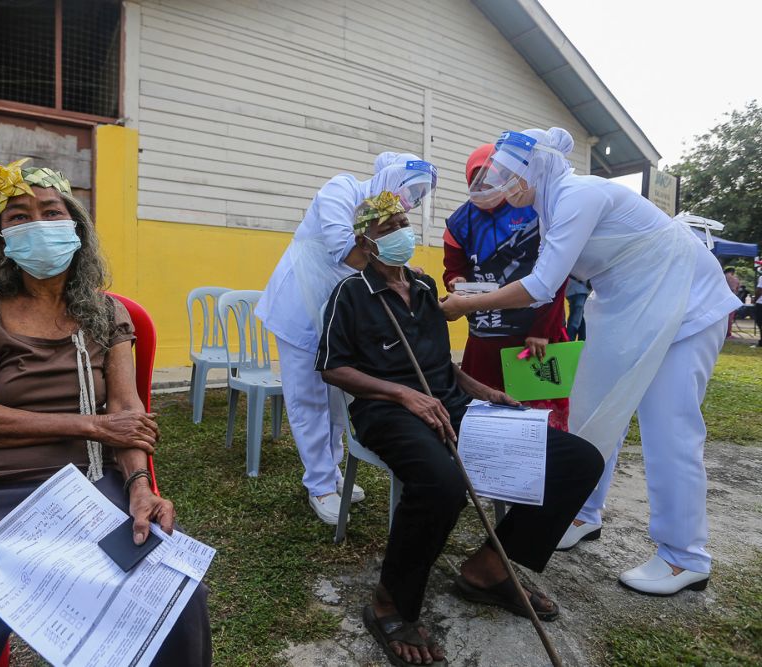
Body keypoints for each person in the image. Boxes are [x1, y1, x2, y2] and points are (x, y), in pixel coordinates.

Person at [0, 159, 211, 666]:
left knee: (173, 603)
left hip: (85, 489)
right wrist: (93, 425)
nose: (37, 225)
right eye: (18, 217)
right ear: (0, 238)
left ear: (75, 226)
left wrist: (141, 485)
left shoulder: (107, 313)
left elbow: (126, 410)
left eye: (51, 211)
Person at [442, 128, 742, 596]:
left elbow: (541, 286)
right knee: (590, 411)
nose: (504, 186)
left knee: (670, 426)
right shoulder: (547, 207)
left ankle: (684, 557)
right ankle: (582, 513)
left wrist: (466, 306)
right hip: (629, 307)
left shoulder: (579, 195)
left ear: (537, 168)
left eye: (511, 176)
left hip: (685, 303)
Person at [317, 193, 602, 666]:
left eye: (403, 222)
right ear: (366, 243)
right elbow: (332, 367)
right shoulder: (350, 294)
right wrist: (403, 394)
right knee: (442, 484)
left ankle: (488, 568)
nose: (401, 233)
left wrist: (483, 390)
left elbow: (439, 364)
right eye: (387, 228)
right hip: (387, 413)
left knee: (579, 460)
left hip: (452, 405)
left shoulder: (425, 287)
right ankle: (390, 603)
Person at [256, 152, 436, 525]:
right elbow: (348, 251)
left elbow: (375, 253)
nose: (408, 201)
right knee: (308, 398)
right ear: (390, 177)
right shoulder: (342, 189)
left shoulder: (379, 213)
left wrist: (400, 266)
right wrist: (396, 269)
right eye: (408, 190)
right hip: (300, 304)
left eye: (417, 197)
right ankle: (319, 485)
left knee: (337, 398)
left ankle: (333, 472)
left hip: (338, 310)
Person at [443, 143, 569, 430]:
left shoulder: (532, 210)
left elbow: (556, 276)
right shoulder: (459, 223)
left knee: (539, 418)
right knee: (485, 416)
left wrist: (543, 331)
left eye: (491, 179)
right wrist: (456, 281)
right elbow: (453, 268)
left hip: (532, 338)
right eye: (477, 182)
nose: (485, 189)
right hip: (485, 337)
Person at [565, 276, 591, 341]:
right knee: (576, 318)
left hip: (576, 289)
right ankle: (570, 340)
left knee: (579, 315)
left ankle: (582, 339)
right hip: (578, 289)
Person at [724, 267, 741, 338]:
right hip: (731, 299)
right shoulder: (735, 279)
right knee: (729, 318)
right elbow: (738, 289)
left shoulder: (722, 277)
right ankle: (728, 334)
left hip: (721, 299)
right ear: (732, 272)